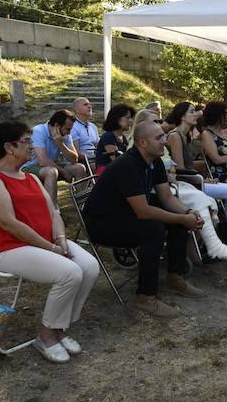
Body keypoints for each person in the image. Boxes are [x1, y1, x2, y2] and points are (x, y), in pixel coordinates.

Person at [0, 120, 99, 363]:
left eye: (32, 140)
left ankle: (59, 329)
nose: (32, 146)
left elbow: (53, 212)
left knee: (90, 266)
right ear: (9, 147)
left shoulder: (30, 178)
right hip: (6, 247)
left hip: (42, 242)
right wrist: (52, 248)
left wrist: (61, 239)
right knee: (69, 273)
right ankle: (46, 336)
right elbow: (9, 224)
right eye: (26, 141)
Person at [83, 121, 206, 318]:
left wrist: (188, 212)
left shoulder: (154, 160)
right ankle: (146, 298)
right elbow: (143, 212)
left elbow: (166, 197)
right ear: (142, 142)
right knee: (154, 229)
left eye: (163, 136)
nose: (164, 142)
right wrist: (181, 219)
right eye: (158, 138)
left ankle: (175, 278)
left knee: (178, 219)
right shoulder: (128, 165)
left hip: (125, 214)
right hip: (102, 223)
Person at [165, 102, 227, 246]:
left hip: (192, 181)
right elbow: (180, 169)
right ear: (182, 116)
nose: (197, 115)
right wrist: (203, 180)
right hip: (184, 185)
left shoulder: (183, 135)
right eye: (192, 112)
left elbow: (188, 166)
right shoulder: (175, 136)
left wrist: (205, 174)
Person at [22, 109, 86, 204]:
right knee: (51, 172)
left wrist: (60, 143)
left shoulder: (65, 133)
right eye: (67, 129)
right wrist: (63, 172)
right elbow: (43, 161)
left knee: (79, 168)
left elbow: (74, 159)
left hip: (52, 165)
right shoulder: (38, 131)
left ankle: (83, 206)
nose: (69, 133)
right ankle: (53, 210)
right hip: (30, 167)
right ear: (56, 126)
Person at [94, 103, 134, 175]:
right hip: (107, 173)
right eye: (128, 118)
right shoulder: (108, 137)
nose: (131, 121)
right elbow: (116, 160)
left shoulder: (123, 138)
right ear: (117, 119)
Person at [69, 97, 99, 161]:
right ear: (76, 109)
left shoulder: (93, 126)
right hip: (83, 161)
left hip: (95, 158)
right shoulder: (72, 126)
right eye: (85, 105)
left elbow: (98, 146)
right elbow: (76, 153)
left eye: (90, 104)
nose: (90, 106)